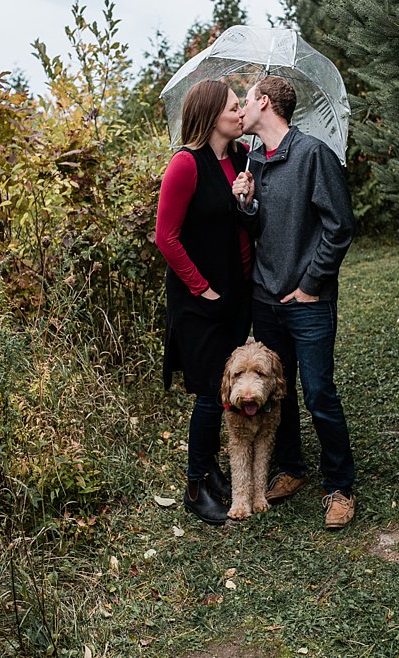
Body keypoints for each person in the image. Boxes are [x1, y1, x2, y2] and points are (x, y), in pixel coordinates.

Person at [230, 75, 358, 529]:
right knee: (275, 392)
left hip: (308, 299)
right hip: (266, 298)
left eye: (245, 102)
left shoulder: (313, 155)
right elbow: (258, 231)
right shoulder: (254, 162)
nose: (241, 111)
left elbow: (339, 226)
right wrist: (244, 204)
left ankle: (340, 487)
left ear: (265, 103)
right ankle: (292, 470)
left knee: (319, 393)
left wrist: (310, 283)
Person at [156, 79, 253, 526]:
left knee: (223, 390)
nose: (240, 113)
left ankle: (212, 469)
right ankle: (196, 485)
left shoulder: (238, 160)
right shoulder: (185, 165)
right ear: (212, 114)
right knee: (211, 396)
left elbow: (236, 226)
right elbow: (167, 238)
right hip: (199, 300)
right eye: (235, 107)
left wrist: (245, 201)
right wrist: (202, 288)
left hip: (236, 292)